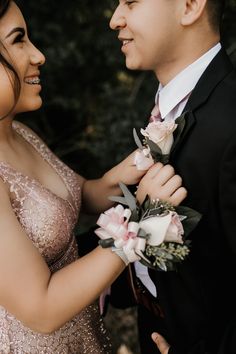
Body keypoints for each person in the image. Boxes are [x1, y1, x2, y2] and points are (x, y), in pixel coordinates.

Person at [0, 1, 187, 353]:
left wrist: (148, 153)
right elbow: (40, 308)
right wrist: (142, 226)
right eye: (19, 40)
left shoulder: (20, 134)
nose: (38, 55)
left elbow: (84, 193)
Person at [110, 0, 236, 353]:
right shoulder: (164, 112)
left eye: (131, 2)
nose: (115, 19)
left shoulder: (230, 123)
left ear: (190, 6)